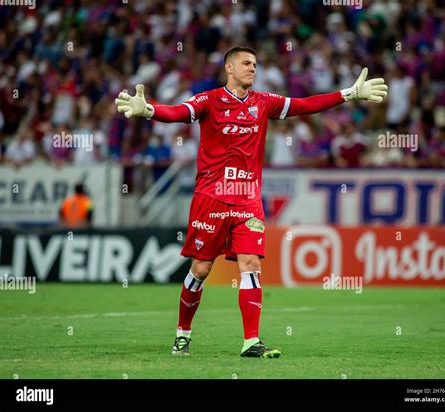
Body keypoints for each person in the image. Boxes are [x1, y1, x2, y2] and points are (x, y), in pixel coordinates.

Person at [115, 46, 388, 358]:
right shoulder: (209, 100)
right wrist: (149, 110)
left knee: (251, 264)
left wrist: (349, 93)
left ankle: (251, 341)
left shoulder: (264, 102)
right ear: (229, 68)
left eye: (255, 64)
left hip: (248, 200)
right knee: (201, 268)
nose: (252, 69)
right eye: (246, 63)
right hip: (211, 197)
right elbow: (178, 113)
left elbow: (305, 105)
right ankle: (182, 335)